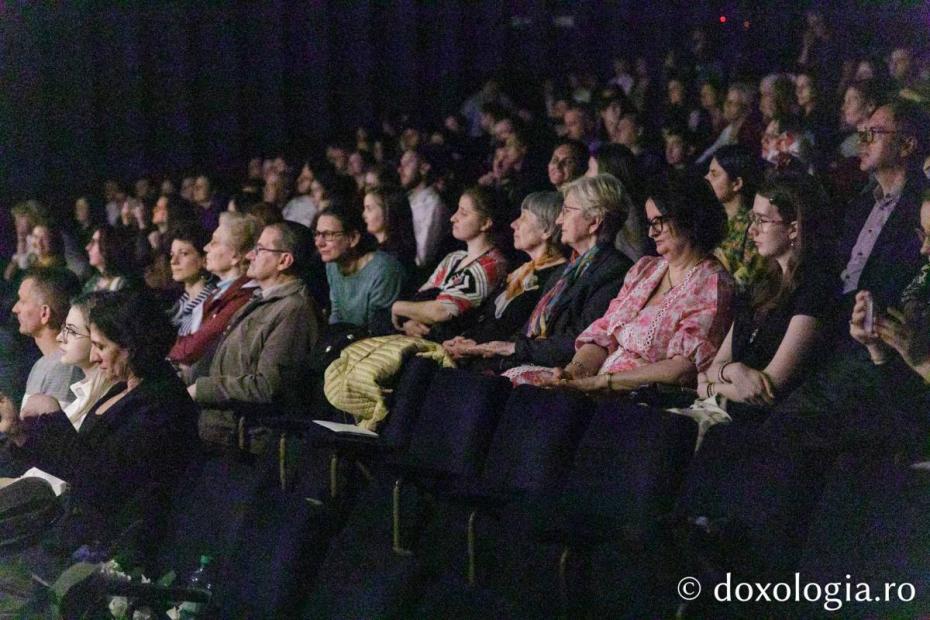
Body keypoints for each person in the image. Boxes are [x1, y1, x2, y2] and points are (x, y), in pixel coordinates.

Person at [0, 290, 198, 572]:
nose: (94, 356)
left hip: (114, 545)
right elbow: (74, 465)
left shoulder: (162, 405)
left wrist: (54, 418)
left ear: (131, 346)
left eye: (101, 347)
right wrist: (19, 432)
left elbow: (102, 481)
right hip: (76, 527)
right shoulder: (124, 388)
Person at [504, 174, 733, 389]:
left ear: (688, 219)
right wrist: (573, 373)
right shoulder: (645, 269)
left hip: (644, 397)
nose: (651, 233)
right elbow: (602, 335)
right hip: (598, 384)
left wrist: (603, 382)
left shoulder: (713, 284)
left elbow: (682, 369)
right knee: (518, 385)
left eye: (658, 222)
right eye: (649, 223)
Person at [455, 174, 633, 372]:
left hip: (556, 372)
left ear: (594, 223)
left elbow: (582, 340)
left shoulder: (615, 271)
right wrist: (481, 346)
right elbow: (526, 332)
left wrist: (513, 348)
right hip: (526, 363)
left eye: (566, 211)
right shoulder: (566, 271)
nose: (558, 220)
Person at [697, 172, 835, 408]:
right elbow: (715, 366)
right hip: (725, 408)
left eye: (762, 220)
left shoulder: (815, 288)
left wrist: (708, 388)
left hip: (771, 418)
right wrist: (735, 371)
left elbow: (769, 387)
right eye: (753, 219)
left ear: (793, 229)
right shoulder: (761, 282)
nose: (752, 230)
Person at [189, 221, 320, 448]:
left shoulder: (294, 311)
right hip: (222, 434)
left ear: (284, 261)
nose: (250, 255)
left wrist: (201, 389)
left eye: (259, 249)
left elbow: (267, 386)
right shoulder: (263, 301)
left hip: (244, 444)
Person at [443, 191, 567, 354]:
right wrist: (461, 338)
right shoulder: (521, 269)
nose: (514, 224)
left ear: (547, 230)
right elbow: (485, 316)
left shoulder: (556, 278)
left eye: (523, 218)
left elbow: (517, 332)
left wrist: (473, 347)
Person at [390, 186, 508, 337]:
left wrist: (398, 307)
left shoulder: (491, 266)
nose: (453, 218)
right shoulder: (454, 258)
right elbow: (419, 299)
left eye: (463, 213)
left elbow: (440, 312)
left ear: (485, 223)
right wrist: (409, 322)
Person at [169, 212, 260, 373]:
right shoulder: (220, 293)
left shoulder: (243, 296)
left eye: (215, 243)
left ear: (235, 256)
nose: (206, 248)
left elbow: (192, 348)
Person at [317, 205, 405, 332]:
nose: (319, 243)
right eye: (318, 234)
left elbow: (378, 328)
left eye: (328, 235)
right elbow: (337, 314)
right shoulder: (332, 265)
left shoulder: (384, 271)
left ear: (353, 238)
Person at [11, 268, 83, 408]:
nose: (15, 309)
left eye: (23, 301)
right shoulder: (42, 364)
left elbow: (54, 422)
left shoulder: (64, 367)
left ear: (44, 313)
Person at [704, 144, 767, 289]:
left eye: (714, 174)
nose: (707, 178)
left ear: (737, 183)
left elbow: (749, 278)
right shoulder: (712, 219)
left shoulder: (752, 226)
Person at [53, 292, 117, 430]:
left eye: (72, 331)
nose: (60, 337)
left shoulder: (110, 400)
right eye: (64, 328)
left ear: (97, 338)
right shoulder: (82, 395)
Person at [587, 143, 648, 262]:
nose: (585, 176)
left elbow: (632, 260)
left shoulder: (625, 212)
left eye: (590, 169)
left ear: (606, 175)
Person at [398, 147, 450, 269]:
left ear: (424, 168)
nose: (400, 169)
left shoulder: (433, 204)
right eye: (401, 164)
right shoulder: (406, 199)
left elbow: (422, 258)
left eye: (408, 163)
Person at [168, 223, 217, 339]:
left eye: (184, 254)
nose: (173, 261)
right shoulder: (179, 305)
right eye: (172, 254)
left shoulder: (211, 304)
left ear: (204, 259)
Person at [362, 184, 418, 270]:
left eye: (369, 209)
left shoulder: (396, 257)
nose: (364, 215)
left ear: (388, 211)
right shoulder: (371, 248)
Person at [81, 225, 140, 294]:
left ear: (108, 246)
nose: (87, 247)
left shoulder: (123, 284)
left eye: (94, 242)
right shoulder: (91, 283)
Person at [282, 161, 320, 228]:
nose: (299, 180)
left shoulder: (316, 208)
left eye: (306, 178)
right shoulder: (294, 202)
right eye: (300, 175)